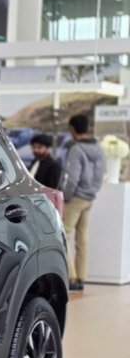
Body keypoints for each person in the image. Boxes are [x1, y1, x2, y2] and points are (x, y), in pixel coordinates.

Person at [62, 113, 107, 292]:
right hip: (90, 197)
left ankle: (71, 278)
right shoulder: (98, 148)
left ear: (72, 129)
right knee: (82, 237)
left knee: (64, 235)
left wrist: (66, 195)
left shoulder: (76, 149)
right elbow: (102, 173)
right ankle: (81, 276)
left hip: (75, 198)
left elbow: (72, 178)